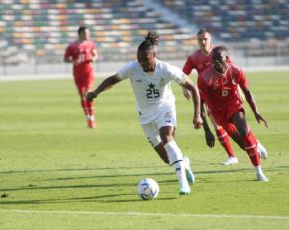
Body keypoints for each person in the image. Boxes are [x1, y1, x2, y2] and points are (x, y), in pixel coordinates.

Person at [86, 32, 203, 195]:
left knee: (167, 138)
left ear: (154, 55)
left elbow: (193, 87)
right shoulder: (132, 68)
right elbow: (112, 79)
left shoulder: (166, 69)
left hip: (165, 108)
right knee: (167, 159)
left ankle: (183, 184)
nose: (141, 63)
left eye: (145, 59)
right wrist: (96, 92)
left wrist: (198, 114)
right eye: (139, 59)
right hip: (145, 115)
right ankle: (184, 164)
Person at [182, 29, 268, 165]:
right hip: (210, 95)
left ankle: (253, 144)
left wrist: (238, 88)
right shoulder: (194, 58)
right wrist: (185, 89)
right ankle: (234, 155)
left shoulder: (219, 53)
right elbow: (183, 74)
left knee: (239, 126)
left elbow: (232, 71)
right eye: (200, 39)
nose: (203, 42)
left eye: (205, 39)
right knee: (218, 126)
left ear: (210, 39)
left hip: (228, 94)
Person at [198, 45, 269, 182]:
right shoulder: (205, 77)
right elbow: (199, 105)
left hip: (233, 105)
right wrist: (207, 130)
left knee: (244, 131)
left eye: (219, 58)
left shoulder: (236, 71)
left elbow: (247, 92)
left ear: (227, 58)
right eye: (213, 59)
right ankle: (256, 143)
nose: (216, 62)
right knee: (243, 145)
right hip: (218, 114)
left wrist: (256, 112)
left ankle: (259, 172)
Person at [64, 26, 99, 128]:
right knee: (82, 96)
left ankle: (92, 117)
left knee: (88, 93)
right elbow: (65, 58)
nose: (87, 35)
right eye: (85, 34)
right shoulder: (72, 46)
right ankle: (88, 116)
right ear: (79, 34)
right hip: (77, 74)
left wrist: (94, 58)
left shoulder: (90, 44)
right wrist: (73, 61)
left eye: (88, 34)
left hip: (88, 73)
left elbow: (96, 54)